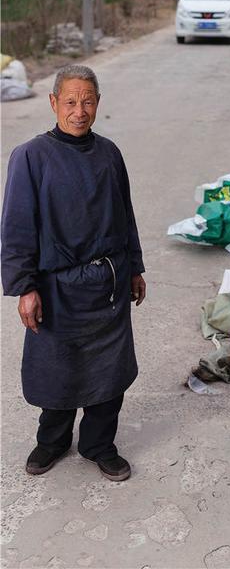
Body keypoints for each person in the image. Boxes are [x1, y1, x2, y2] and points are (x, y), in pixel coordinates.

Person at [1, 64, 146, 482]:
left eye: (87, 101)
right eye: (70, 101)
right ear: (53, 103)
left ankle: (99, 444)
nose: (79, 110)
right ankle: (53, 440)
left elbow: (125, 217)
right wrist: (25, 286)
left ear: (97, 104)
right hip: (57, 286)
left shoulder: (109, 154)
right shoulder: (30, 157)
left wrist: (134, 267)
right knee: (57, 368)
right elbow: (15, 227)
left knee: (109, 370)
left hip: (109, 282)